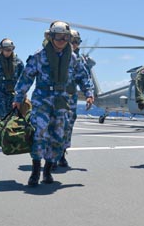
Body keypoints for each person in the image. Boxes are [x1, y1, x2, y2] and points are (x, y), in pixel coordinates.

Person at [13, 21, 94, 186]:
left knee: (57, 136)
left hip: (62, 101)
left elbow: (83, 77)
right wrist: (18, 98)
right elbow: (26, 78)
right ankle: (36, 171)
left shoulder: (73, 58)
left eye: (65, 37)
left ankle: (48, 171)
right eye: (58, 36)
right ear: (51, 37)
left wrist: (89, 93)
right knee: (39, 134)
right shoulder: (39, 56)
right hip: (42, 100)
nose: (62, 40)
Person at [56, 28, 96, 168]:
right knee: (54, 125)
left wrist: (89, 94)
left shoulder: (78, 59)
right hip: (53, 97)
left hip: (71, 98)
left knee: (68, 126)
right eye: (72, 41)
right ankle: (52, 155)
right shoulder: (54, 54)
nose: (75, 44)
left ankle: (62, 152)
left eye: (77, 42)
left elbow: (84, 78)